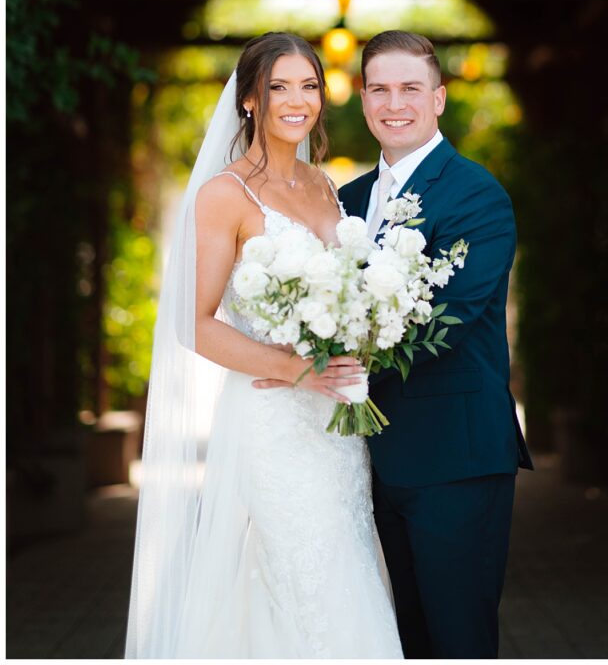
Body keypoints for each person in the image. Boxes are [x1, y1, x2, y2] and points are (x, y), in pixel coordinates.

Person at [125, 32, 403, 659]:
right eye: (279, 87)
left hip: (337, 426)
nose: (296, 100)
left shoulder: (323, 186)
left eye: (309, 85)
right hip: (273, 417)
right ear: (250, 99)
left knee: (349, 560)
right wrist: (296, 368)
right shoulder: (225, 195)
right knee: (306, 578)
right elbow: (193, 323)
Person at [337, 30, 534, 659]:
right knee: (403, 641)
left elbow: (444, 320)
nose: (395, 103)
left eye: (410, 89)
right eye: (380, 89)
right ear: (363, 99)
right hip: (369, 463)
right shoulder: (345, 201)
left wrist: (326, 367)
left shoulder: (478, 196)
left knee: (457, 640)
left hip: (456, 458)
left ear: (439, 98)